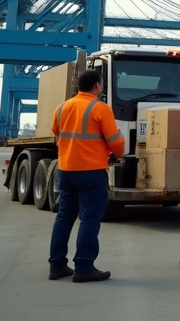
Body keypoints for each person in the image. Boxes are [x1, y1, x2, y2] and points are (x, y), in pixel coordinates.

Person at [48, 69, 123, 283]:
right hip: (91, 172)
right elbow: (115, 141)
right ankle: (84, 267)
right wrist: (118, 155)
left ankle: (57, 265)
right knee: (89, 218)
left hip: (66, 170)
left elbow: (56, 132)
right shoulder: (101, 108)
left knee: (64, 217)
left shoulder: (62, 107)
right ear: (97, 86)